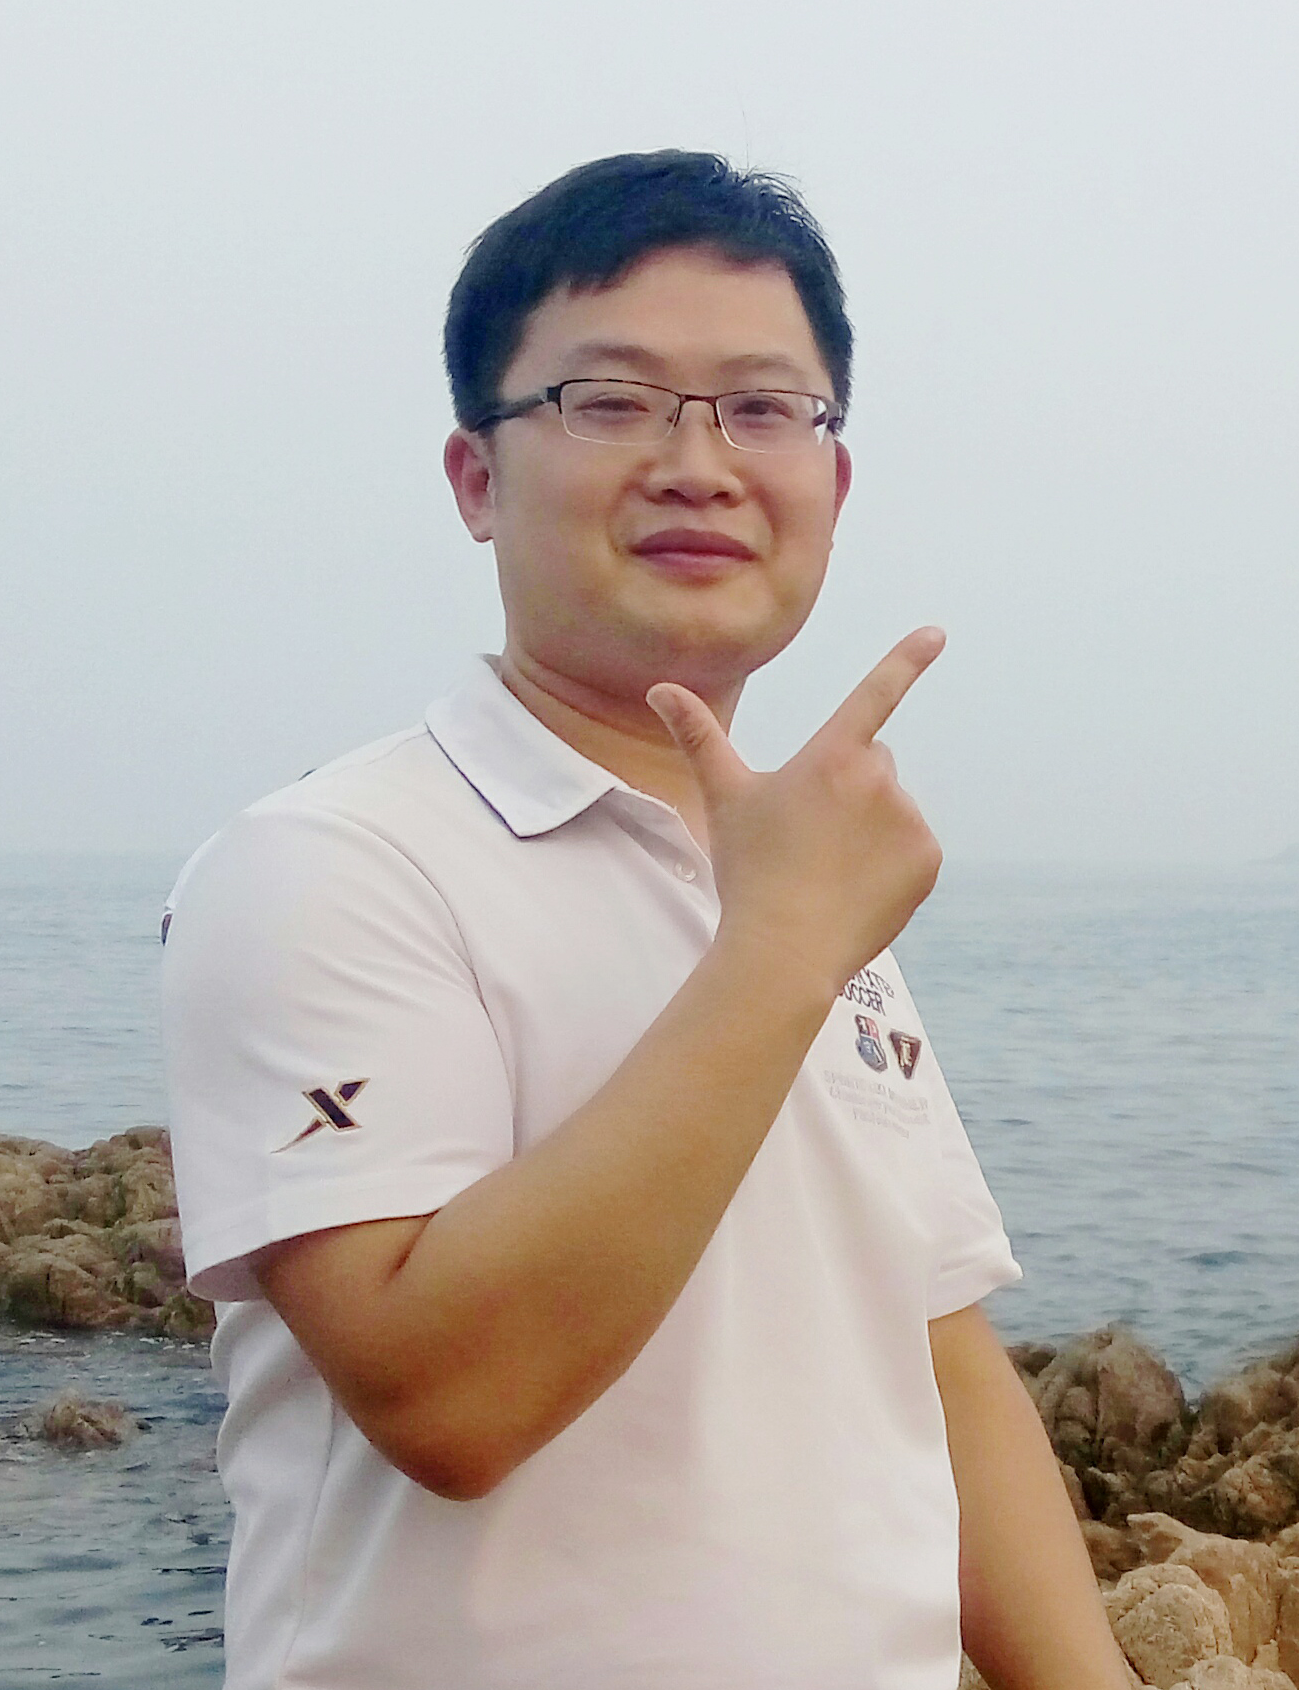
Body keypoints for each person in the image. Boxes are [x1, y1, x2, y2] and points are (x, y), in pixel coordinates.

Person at [162, 151, 1128, 1690]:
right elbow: (447, 1395)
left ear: (835, 482)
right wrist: (783, 948)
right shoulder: (328, 865)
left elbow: (934, 1351)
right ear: (475, 479)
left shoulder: (806, 890)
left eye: (764, 408)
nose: (699, 463)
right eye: (610, 401)